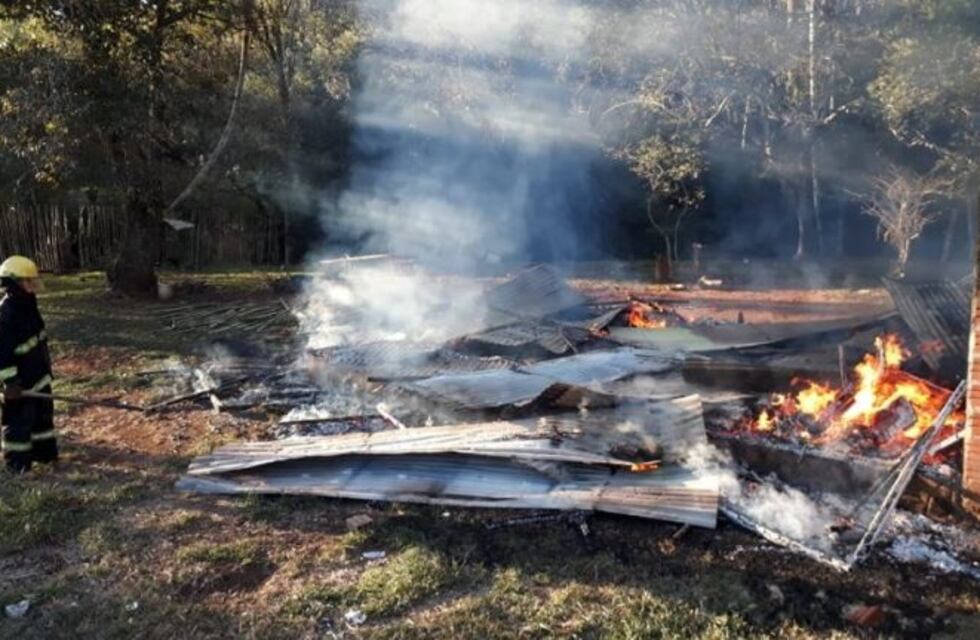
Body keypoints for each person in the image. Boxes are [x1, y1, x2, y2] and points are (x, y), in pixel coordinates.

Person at [0, 256, 57, 473]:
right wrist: (11, 383)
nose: (32, 285)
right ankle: (18, 466)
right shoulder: (6, 315)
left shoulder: (28, 304)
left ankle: (45, 455)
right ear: (13, 283)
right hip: (20, 385)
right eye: (28, 281)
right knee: (19, 424)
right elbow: (2, 356)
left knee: (43, 419)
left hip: (39, 376)